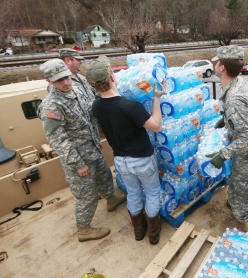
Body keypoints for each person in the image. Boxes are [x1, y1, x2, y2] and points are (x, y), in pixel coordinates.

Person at [38, 59, 126, 242]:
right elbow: (57, 140)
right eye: (59, 80)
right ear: (49, 82)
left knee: (104, 175)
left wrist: (95, 139)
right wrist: (78, 164)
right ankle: (84, 229)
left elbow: (88, 117)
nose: (65, 83)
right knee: (87, 195)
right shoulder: (51, 106)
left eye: (66, 77)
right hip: (78, 158)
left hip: (92, 148)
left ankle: (111, 199)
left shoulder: (76, 91)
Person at [86, 55, 165, 244]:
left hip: (121, 160)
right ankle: (153, 234)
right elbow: (156, 126)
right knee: (152, 192)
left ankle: (139, 231)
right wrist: (156, 99)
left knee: (133, 193)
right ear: (112, 77)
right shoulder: (131, 106)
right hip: (142, 159)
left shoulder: (96, 106)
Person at [207, 45, 248, 232]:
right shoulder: (237, 82)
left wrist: (223, 154)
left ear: (222, 67)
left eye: (216, 61)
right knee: (236, 178)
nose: (214, 64)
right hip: (246, 140)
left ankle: (241, 222)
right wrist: (225, 119)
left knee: (242, 185)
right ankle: (234, 203)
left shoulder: (234, 99)